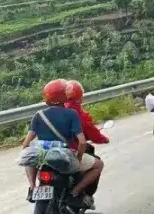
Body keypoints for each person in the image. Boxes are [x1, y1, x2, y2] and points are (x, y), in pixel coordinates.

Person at [20, 79, 102, 207]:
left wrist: (26, 150)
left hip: (43, 156)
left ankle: (31, 187)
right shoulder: (71, 114)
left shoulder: (38, 115)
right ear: (65, 96)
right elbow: (82, 142)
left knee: (30, 154)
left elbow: (26, 143)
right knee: (98, 165)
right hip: (64, 156)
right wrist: (78, 157)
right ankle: (74, 193)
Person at [63, 80, 110, 145]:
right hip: (73, 147)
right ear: (80, 96)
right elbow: (89, 129)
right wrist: (103, 139)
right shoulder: (77, 113)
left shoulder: (57, 110)